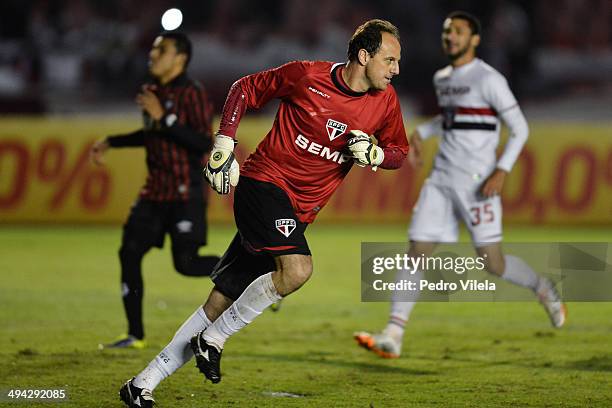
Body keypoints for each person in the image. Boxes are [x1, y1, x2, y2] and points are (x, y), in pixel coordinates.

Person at [119, 19, 409, 407]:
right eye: (389, 60)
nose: (396, 70)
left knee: (220, 301)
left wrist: (376, 155)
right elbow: (245, 88)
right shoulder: (306, 75)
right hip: (262, 186)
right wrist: (225, 139)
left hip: (300, 211)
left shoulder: (385, 102)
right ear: (363, 55)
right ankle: (215, 339)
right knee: (298, 270)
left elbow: (399, 152)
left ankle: (141, 384)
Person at [354, 11, 567, 359]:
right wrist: (425, 131)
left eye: (458, 32)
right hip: (440, 179)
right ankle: (393, 334)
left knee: (492, 263)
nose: (450, 37)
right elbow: (454, 117)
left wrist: (501, 170)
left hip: (477, 183)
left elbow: (520, 128)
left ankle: (542, 287)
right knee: (416, 252)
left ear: (474, 40)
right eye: (446, 31)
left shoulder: (489, 79)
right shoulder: (443, 78)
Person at [90, 32, 219, 350]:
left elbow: (204, 142)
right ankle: (135, 334)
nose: (153, 54)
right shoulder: (151, 91)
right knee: (129, 253)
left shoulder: (193, 92)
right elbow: (152, 135)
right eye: (153, 49)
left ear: (181, 58)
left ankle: (252, 271)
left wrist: (166, 117)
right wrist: (113, 141)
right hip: (154, 192)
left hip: (185, 190)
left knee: (186, 264)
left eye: (161, 50)